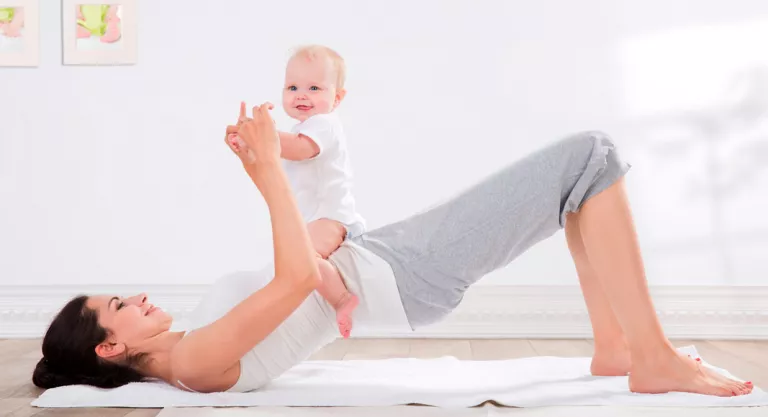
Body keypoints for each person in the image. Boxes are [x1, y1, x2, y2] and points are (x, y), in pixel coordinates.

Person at [32, 103, 754, 397]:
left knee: (582, 180)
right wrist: (267, 175)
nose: (138, 297)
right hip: (406, 275)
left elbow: (307, 260)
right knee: (590, 153)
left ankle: (619, 350)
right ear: (107, 348)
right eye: (120, 306)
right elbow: (293, 275)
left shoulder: (194, 332)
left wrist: (324, 233)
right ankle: (647, 355)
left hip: (383, 255)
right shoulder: (191, 362)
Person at [227, 45, 363, 338]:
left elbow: (300, 149)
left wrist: (264, 135)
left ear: (337, 97)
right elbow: (272, 158)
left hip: (332, 216)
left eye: (314, 87)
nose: (301, 94)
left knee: (303, 258)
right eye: (292, 87)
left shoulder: (324, 125)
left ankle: (342, 300)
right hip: (311, 219)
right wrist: (249, 143)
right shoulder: (302, 128)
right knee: (294, 261)